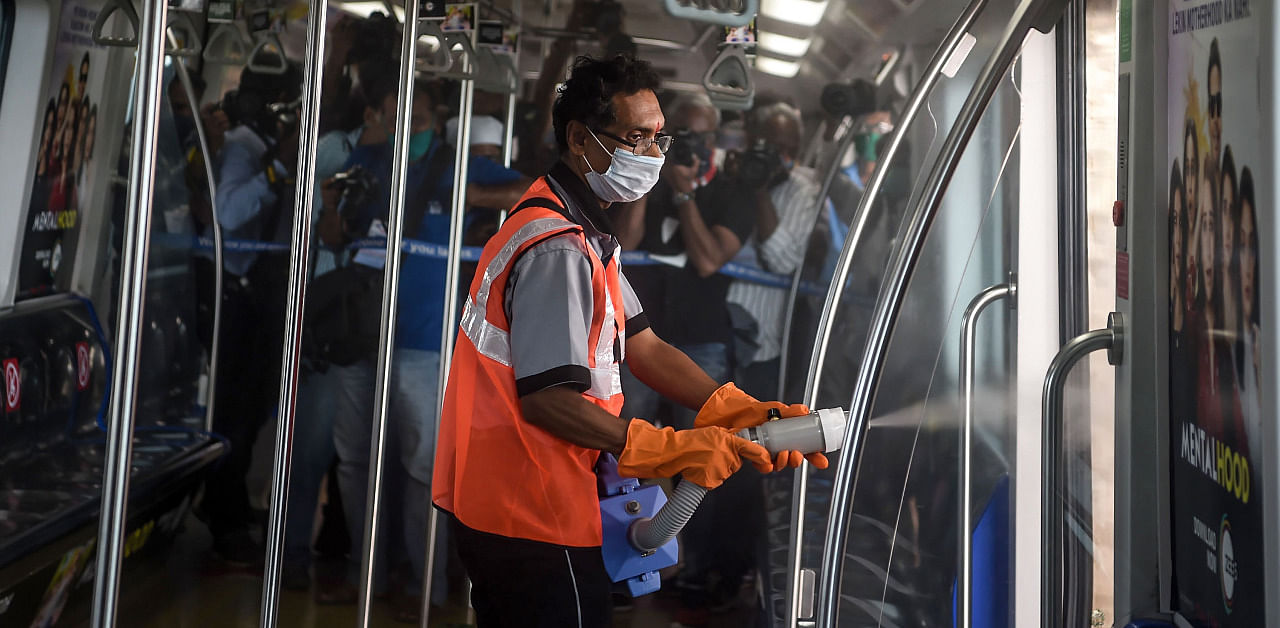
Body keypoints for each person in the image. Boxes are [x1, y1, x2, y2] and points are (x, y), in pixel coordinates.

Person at [433, 54, 824, 628]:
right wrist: (667, 449)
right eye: (635, 138)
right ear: (579, 139)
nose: (650, 156)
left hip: (545, 495)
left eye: (658, 139)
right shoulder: (558, 247)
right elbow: (546, 399)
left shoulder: (583, 227)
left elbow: (642, 344)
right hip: (528, 507)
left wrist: (732, 408)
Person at [316, 76, 529, 617]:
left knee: (419, 469)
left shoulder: (454, 167)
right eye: (395, 114)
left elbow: (531, 191)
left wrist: (465, 200)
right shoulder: (368, 164)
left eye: (414, 116)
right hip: (359, 336)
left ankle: (426, 585)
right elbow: (336, 239)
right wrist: (333, 205)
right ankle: (370, 574)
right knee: (356, 463)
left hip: (421, 339)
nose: (402, 125)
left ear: (435, 120)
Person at [612, 91, 764, 611]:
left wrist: (684, 195)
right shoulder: (647, 181)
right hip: (641, 340)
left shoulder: (733, 192)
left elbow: (707, 259)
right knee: (622, 449)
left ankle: (695, 569)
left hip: (701, 342)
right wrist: (650, 179)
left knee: (706, 459)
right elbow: (626, 244)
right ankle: (622, 557)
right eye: (682, 134)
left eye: (700, 136)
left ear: (717, 139)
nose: (690, 145)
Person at [195, 60, 303, 565]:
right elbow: (228, 213)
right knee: (234, 412)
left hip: (263, 294)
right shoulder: (243, 146)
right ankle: (225, 517)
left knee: (255, 407)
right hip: (234, 294)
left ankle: (228, 500)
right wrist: (277, 169)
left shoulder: (262, 145)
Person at [725, 100, 824, 399]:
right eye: (772, 146)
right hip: (707, 334)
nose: (782, 157)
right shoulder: (727, 175)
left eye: (790, 149)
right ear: (752, 141)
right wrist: (733, 180)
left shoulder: (802, 192)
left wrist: (761, 192)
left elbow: (782, 261)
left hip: (760, 344)